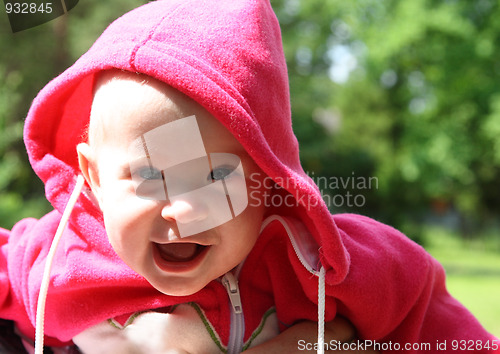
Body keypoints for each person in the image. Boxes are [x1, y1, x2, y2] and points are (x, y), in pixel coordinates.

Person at [0, 0, 497, 353]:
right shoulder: (59, 261)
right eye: (150, 173)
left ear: (268, 179)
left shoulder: (334, 265)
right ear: (95, 176)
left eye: (215, 175)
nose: (184, 210)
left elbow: (440, 325)